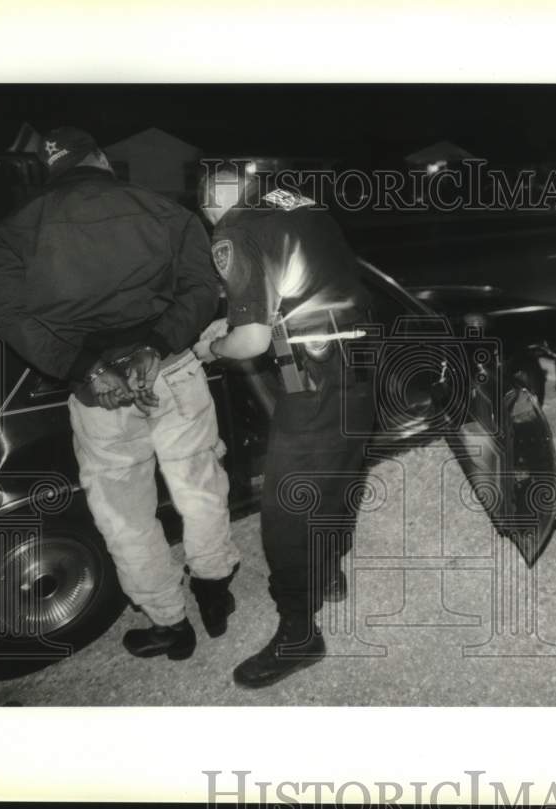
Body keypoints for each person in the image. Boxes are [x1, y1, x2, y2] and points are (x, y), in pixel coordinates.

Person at [0, 126, 241, 661]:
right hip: (171, 370)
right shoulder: (168, 213)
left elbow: (11, 319)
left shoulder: (8, 236)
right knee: (199, 486)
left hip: (100, 396)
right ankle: (215, 591)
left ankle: (171, 624)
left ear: (48, 171)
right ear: (100, 160)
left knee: (125, 515)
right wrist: (156, 345)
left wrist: (82, 368)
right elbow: (201, 289)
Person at [194, 167, 375, 689]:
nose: (212, 224)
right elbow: (304, 290)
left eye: (208, 216)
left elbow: (250, 341)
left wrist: (215, 347)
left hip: (314, 378)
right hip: (360, 364)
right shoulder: (300, 203)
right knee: (339, 479)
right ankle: (328, 574)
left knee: (286, 509)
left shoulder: (235, 228)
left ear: (210, 204)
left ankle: (299, 633)